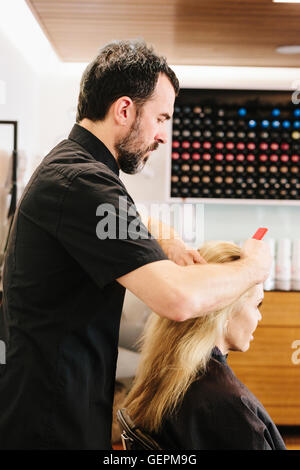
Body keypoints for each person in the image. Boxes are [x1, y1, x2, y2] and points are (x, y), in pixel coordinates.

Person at [0, 40, 272, 450]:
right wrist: (253, 268)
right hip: (50, 422)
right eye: (161, 118)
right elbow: (177, 299)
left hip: (55, 403)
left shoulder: (73, 168)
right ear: (124, 110)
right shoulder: (84, 183)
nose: (163, 136)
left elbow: (127, 219)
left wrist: (164, 236)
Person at [123, 241, 286, 450]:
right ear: (225, 310)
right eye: (257, 305)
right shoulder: (224, 405)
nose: (259, 316)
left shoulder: (166, 380)